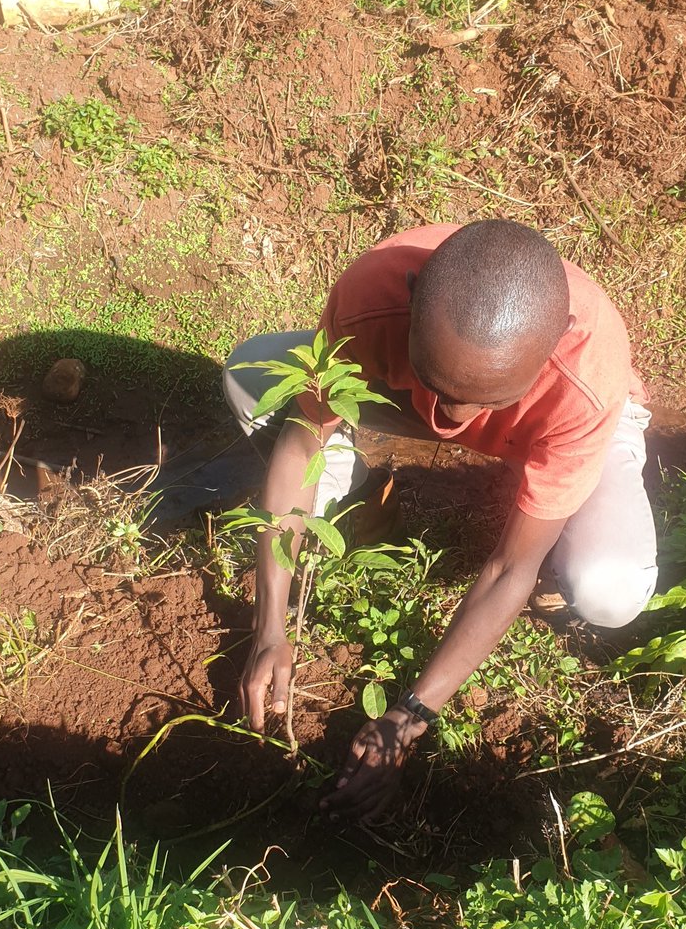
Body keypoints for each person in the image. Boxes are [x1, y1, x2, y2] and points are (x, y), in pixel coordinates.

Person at [222, 220, 657, 820]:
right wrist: (271, 626)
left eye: (483, 397)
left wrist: (410, 716)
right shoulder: (371, 298)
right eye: (441, 384)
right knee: (250, 375)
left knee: (610, 588)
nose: (454, 417)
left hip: (560, 423)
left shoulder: (587, 380)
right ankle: (360, 497)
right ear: (411, 298)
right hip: (420, 394)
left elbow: (508, 568)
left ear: (556, 340)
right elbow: (300, 446)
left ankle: (554, 513)